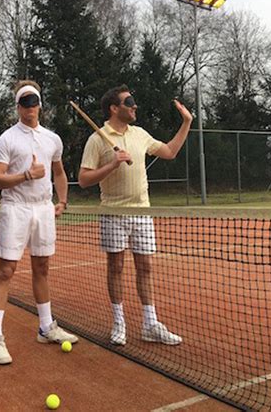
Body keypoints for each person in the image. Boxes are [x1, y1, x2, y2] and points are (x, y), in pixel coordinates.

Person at [78, 85, 193, 346]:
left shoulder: (140, 134)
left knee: (145, 267)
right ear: (114, 108)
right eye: (129, 101)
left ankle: (150, 323)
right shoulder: (98, 138)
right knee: (116, 267)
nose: (134, 106)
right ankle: (119, 322)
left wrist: (186, 122)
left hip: (142, 211)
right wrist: (112, 163)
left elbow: (170, 152)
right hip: (113, 213)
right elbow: (84, 179)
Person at [0, 80, 78, 365]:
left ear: (40, 104)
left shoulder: (52, 139)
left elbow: (59, 172)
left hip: (43, 210)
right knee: (6, 271)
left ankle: (46, 326)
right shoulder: (7, 139)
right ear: (18, 106)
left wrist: (62, 201)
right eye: (25, 102)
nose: (30, 107)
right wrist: (26, 175)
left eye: (34, 101)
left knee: (42, 267)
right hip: (15, 209)